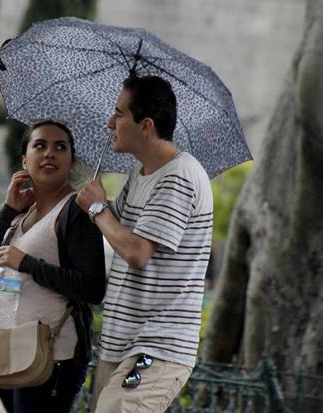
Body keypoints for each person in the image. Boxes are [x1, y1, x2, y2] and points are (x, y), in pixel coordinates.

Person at [76, 75, 213, 413]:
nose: (111, 122)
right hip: (122, 341)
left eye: (119, 113)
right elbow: (116, 233)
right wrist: (95, 205)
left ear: (146, 125)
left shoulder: (179, 175)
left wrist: (97, 208)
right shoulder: (142, 172)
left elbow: (137, 252)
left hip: (157, 345)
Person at [0, 120, 106, 413]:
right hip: (6, 349)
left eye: (60, 147)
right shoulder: (18, 215)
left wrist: (26, 263)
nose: (49, 153)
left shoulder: (74, 211)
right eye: (40, 145)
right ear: (25, 160)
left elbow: (93, 288)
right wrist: (6, 210)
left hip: (52, 356)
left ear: (71, 161)